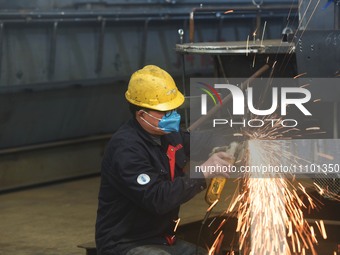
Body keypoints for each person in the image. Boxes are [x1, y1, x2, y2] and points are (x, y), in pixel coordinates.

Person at [95, 65, 233, 255]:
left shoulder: (169, 134)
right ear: (142, 114)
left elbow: (203, 140)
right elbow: (157, 198)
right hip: (125, 243)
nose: (172, 115)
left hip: (161, 238)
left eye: (173, 109)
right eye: (165, 111)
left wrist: (234, 140)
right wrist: (202, 172)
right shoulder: (126, 148)